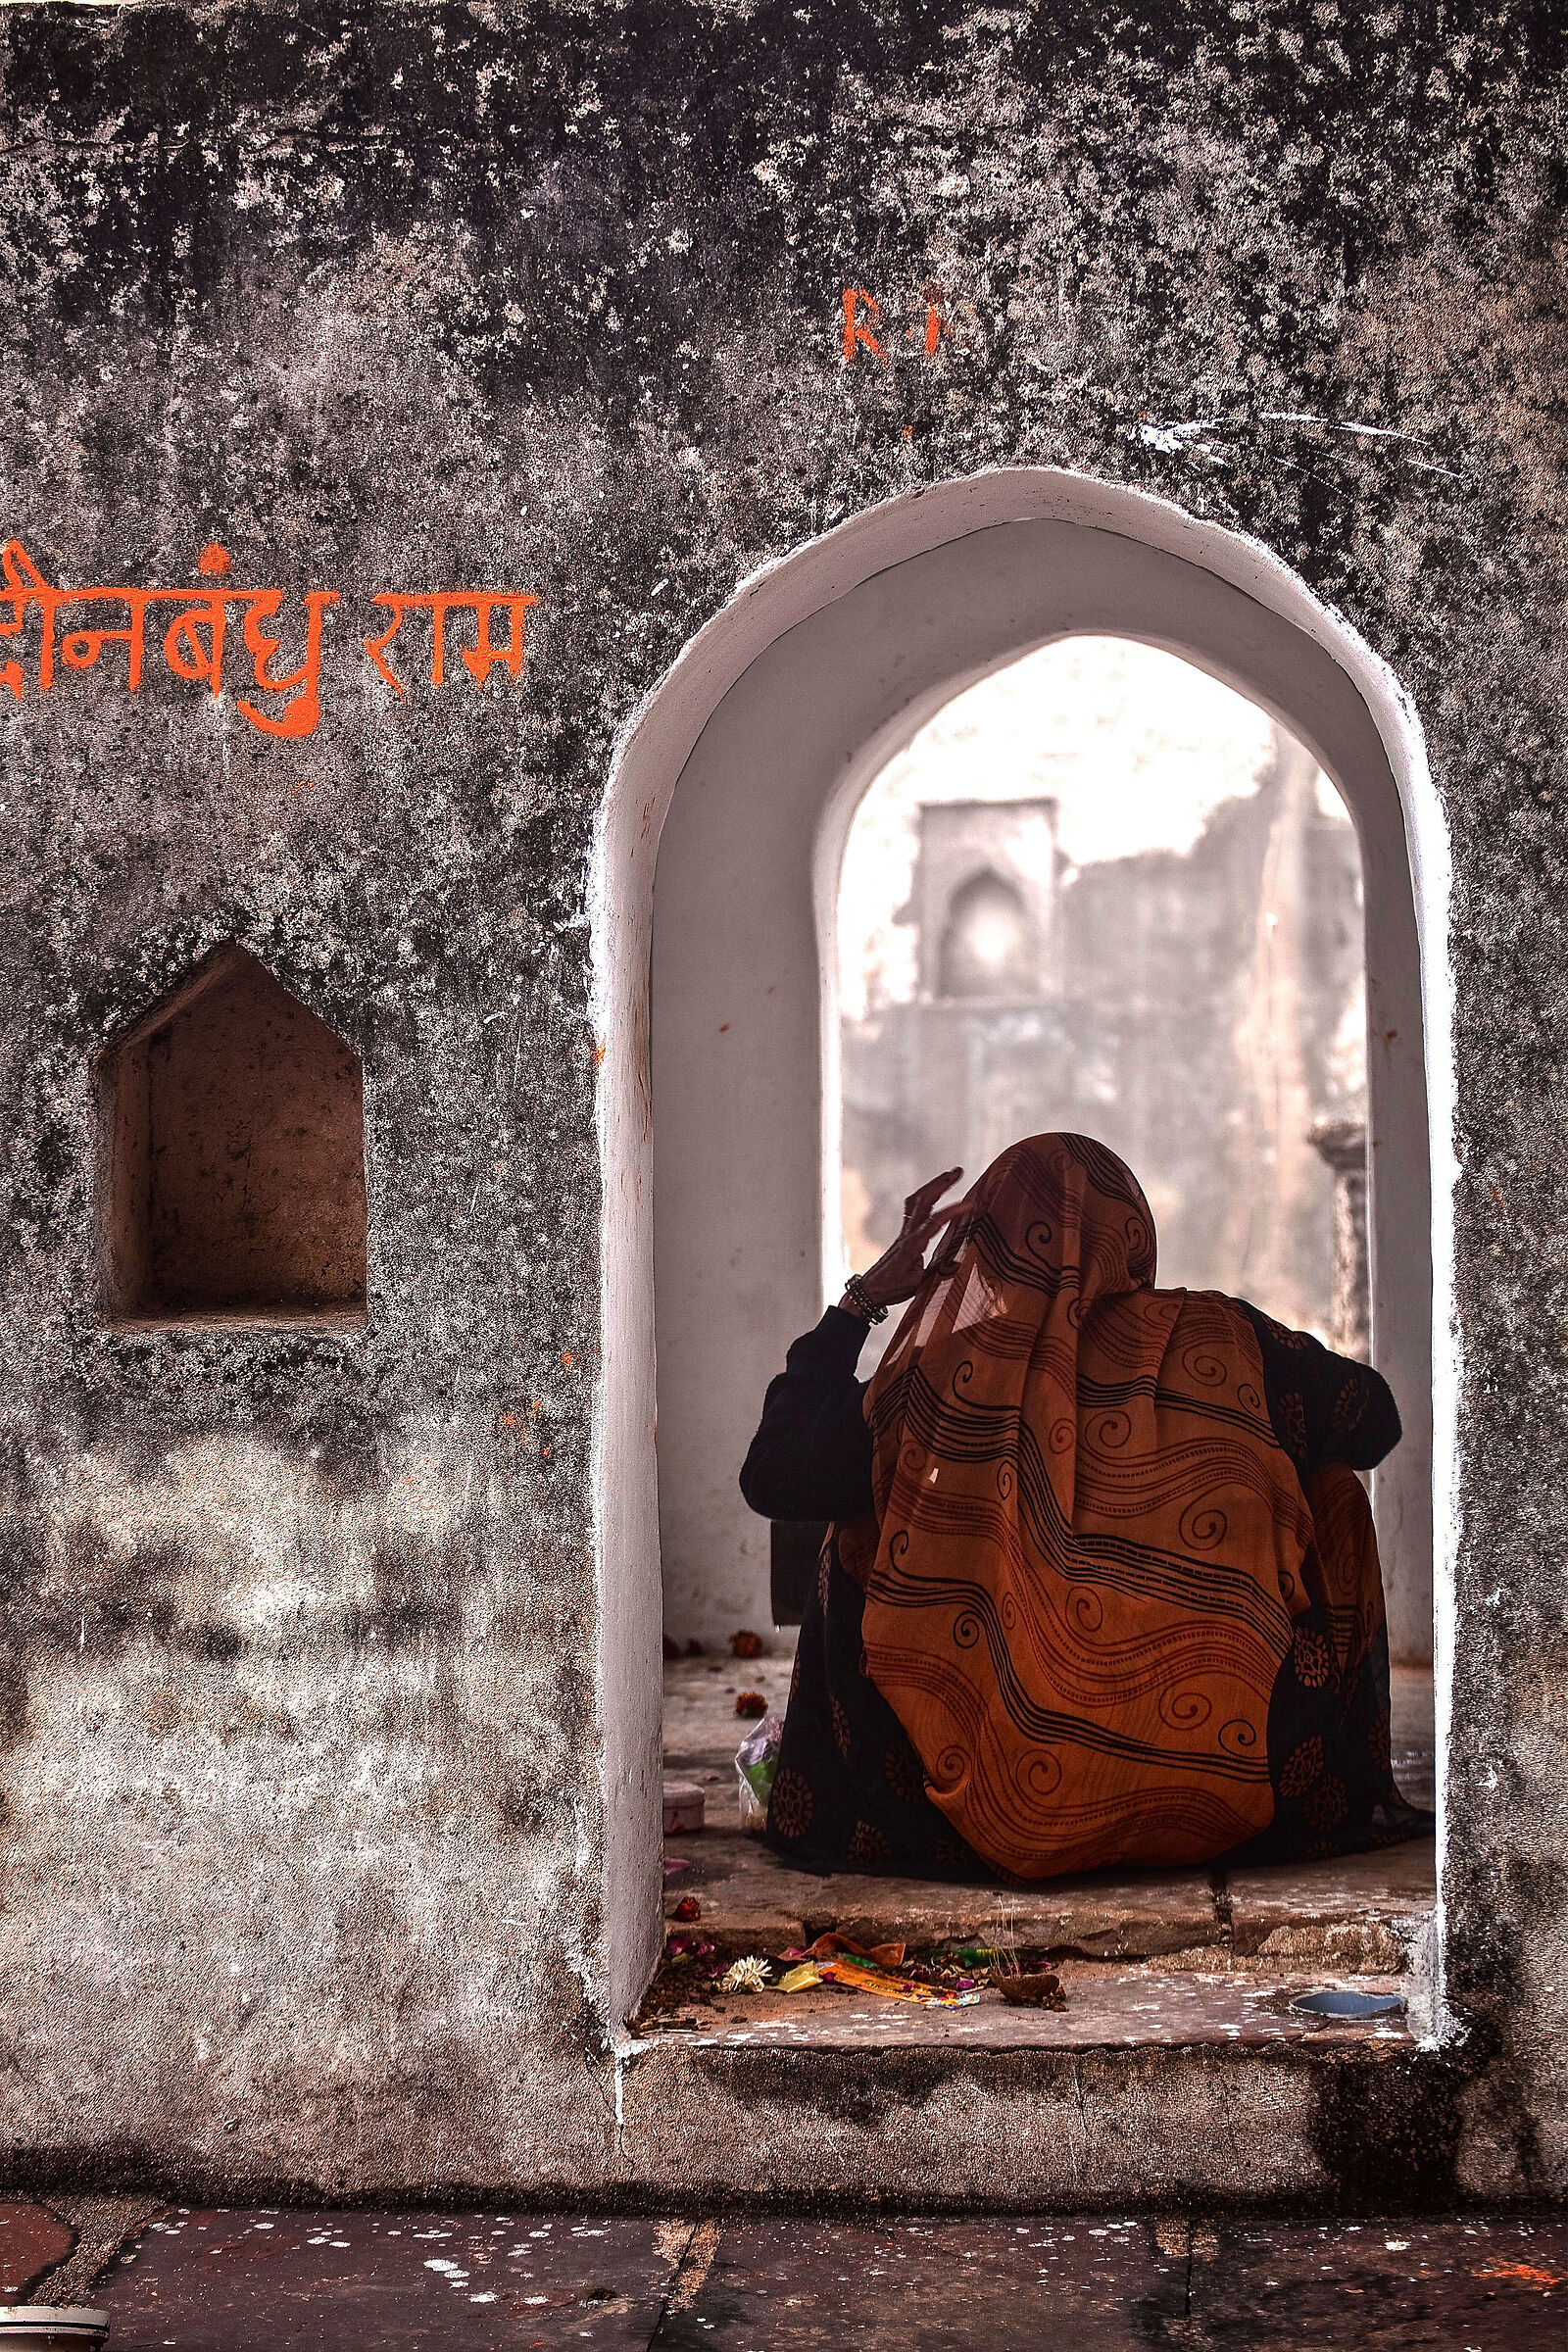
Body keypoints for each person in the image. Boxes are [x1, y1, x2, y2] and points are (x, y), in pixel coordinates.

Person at [739, 1131, 1427, 1883]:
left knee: (866, 1515)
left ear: (987, 1248)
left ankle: (898, 1795)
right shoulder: (1222, 1343)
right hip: (1224, 1792)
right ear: (1130, 1237)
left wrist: (861, 1302)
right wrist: (1230, 1437)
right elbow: (1374, 1421)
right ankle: (1297, 1787)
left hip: (959, 1809)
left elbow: (774, 1475)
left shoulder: (945, 1378)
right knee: (1333, 1492)